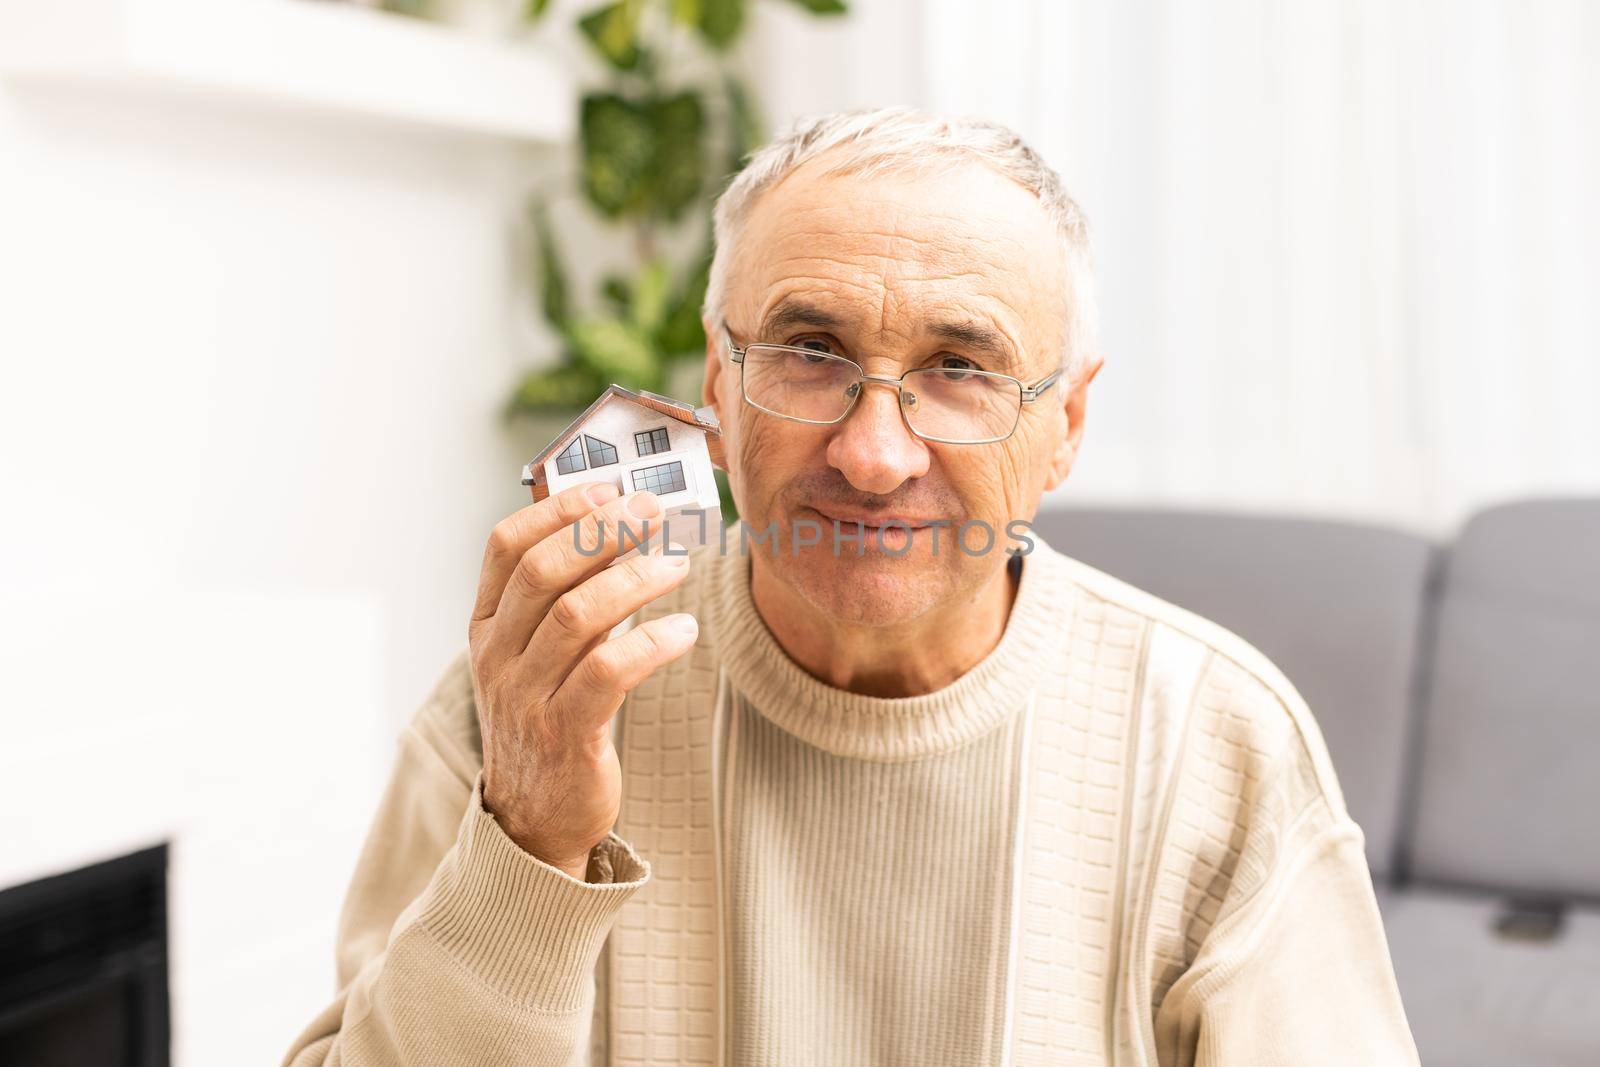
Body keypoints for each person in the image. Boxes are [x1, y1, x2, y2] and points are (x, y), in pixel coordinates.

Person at [284, 106, 1419, 1066]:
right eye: (810, 351)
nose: (874, 454)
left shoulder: (1219, 741)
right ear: (715, 393)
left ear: (1064, 424)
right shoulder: (539, 698)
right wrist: (528, 843)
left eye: (960, 369)